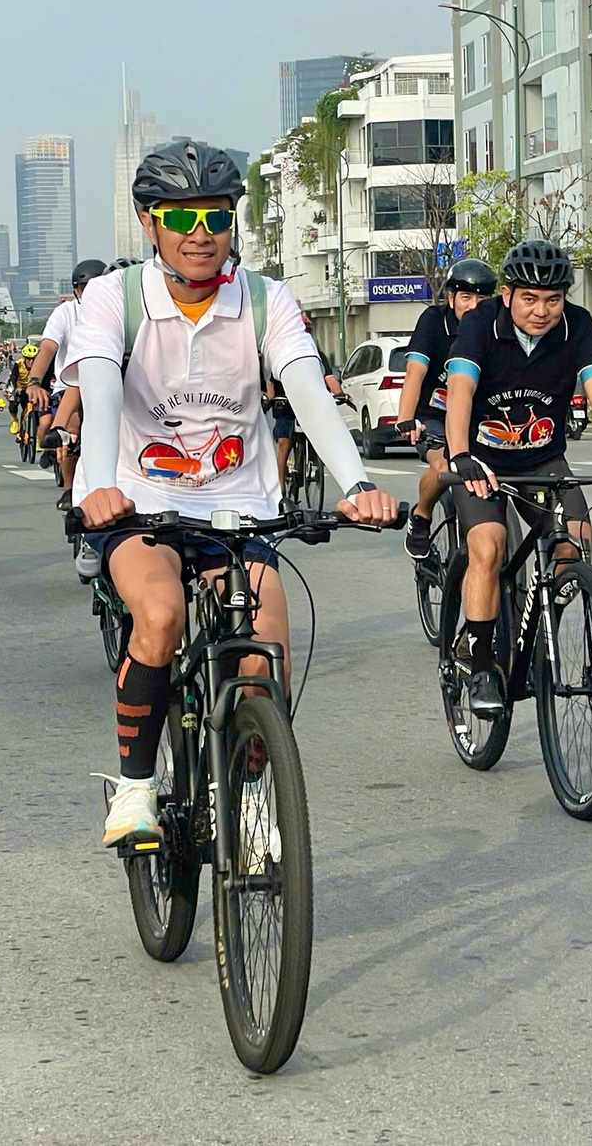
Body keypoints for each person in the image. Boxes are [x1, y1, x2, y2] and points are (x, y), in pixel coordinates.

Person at [66, 138, 398, 849]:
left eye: (215, 218)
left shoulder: (265, 299)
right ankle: (134, 788)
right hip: (138, 505)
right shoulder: (112, 299)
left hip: (240, 508)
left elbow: (306, 390)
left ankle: (249, 796)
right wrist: (96, 490)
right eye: (180, 220)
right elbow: (97, 395)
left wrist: (360, 483)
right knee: (158, 616)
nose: (201, 235)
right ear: (149, 224)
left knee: (263, 656)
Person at [442, 239, 592, 715]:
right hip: (483, 462)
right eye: (529, 299)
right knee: (489, 544)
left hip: (543, 460)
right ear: (507, 295)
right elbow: (460, 389)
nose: (541, 310)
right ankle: (479, 662)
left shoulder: (578, 327)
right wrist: (460, 455)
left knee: (575, 539)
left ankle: (541, 623)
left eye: (553, 300)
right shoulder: (480, 325)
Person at [396, 258, 498, 561]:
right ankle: (423, 515)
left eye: (482, 298)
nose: (474, 305)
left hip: (475, 418)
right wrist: (406, 419)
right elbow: (414, 372)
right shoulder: (433, 321)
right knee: (442, 466)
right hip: (434, 418)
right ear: (451, 297)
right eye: (466, 297)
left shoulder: (494, 326)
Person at [28, 261, 106, 476]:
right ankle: (70, 490)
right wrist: (34, 382)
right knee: (70, 431)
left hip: (110, 384)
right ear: (75, 291)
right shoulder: (65, 313)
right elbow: (47, 348)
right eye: (84, 289)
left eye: (96, 287)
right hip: (71, 384)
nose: (90, 295)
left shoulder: (117, 310)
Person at [268, 314, 345, 487]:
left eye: (306, 332)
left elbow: (329, 377)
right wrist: (269, 397)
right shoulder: (277, 353)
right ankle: (280, 491)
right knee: (284, 444)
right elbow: (269, 382)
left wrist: (340, 394)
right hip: (285, 403)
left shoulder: (316, 355)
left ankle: (315, 462)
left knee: (319, 433)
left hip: (308, 403)